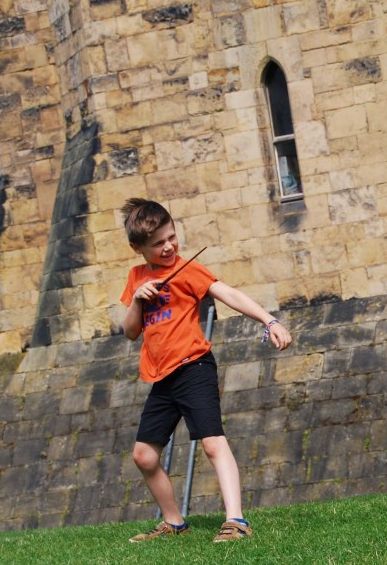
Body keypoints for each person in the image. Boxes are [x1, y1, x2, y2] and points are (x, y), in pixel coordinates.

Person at [119, 198, 292, 542]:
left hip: (194, 368)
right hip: (162, 377)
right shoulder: (137, 277)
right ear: (137, 248)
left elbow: (228, 293)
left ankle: (236, 521)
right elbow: (130, 331)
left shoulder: (189, 269)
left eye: (171, 237)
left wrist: (269, 320)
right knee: (144, 456)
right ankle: (174, 522)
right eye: (158, 243)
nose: (169, 246)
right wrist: (138, 299)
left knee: (213, 443)